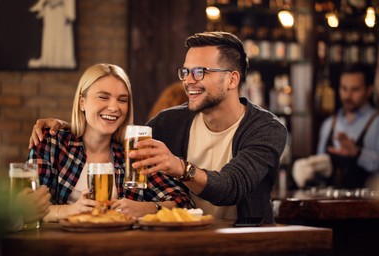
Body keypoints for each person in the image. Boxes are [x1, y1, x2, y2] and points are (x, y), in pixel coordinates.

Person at [29, 32, 287, 224]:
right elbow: (112, 127)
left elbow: (231, 187)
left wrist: (179, 168)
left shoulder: (267, 128)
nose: (188, 81)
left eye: (199, 72)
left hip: (246, 247)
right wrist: (68, 125)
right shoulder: (167, 123)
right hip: (181, 248)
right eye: (185, 71)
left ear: (232, 79)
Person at [27, 63, 194, 222]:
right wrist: (70, 211)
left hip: (120, 248)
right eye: (103, 97)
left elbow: (184, 203)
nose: (114, 107)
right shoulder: (52, 143)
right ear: (82, 102)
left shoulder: (134, 153)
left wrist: (147, 208)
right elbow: (25, 207)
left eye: (122, 100)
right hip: (62, 247)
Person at [293, 64, 379, 189]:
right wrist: (309, 168)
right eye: (344, 88)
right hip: (331, 203)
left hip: (367, 204)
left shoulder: (376, 123)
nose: (347, 96)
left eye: (355, 89)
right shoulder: (329, 124)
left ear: (369, 90)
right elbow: (320, 168)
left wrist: (358, 154)